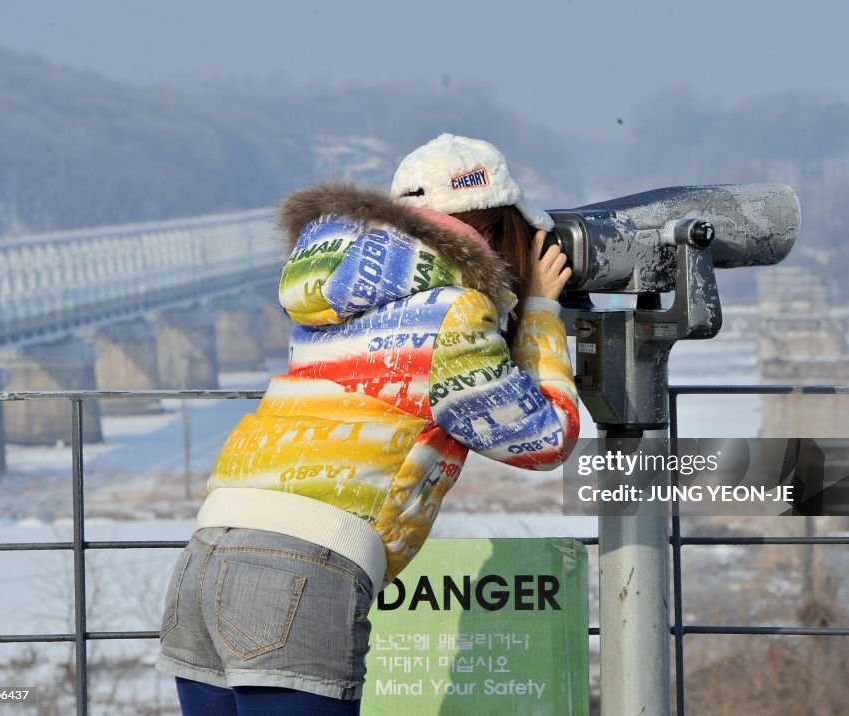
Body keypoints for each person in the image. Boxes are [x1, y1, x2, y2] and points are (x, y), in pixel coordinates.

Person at [155, 133, 580, 714]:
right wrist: (538, 314)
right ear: (493, 229)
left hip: (205, 558)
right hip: (301, 567)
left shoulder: (337, 294)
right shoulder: (453, 312)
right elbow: (544, 439)